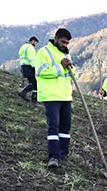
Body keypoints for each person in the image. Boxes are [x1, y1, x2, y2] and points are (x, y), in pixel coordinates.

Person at [33, 28, 73, 168]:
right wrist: (60, 67)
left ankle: (63, 153)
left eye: (67, 43)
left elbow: (68, 75)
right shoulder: (43, 52)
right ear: (55, 38)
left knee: (65, 127)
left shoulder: (66, 54)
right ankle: (53, 156)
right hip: (51, 96)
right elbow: (41, 72)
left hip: (65, 96)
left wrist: (70, 69)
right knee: (53, 126)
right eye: (62, 41)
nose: (65, 45)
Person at [17, 36, 39, 105]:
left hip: (24, 67)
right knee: (35, 83)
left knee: (32, 83)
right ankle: (34, 100)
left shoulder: (24, 47)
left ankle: (23, 93)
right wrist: (36, 68)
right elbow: (32, 60)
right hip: (29, 67)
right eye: (35, 42)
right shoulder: (30, 48)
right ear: (33, 41)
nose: (35, 44)